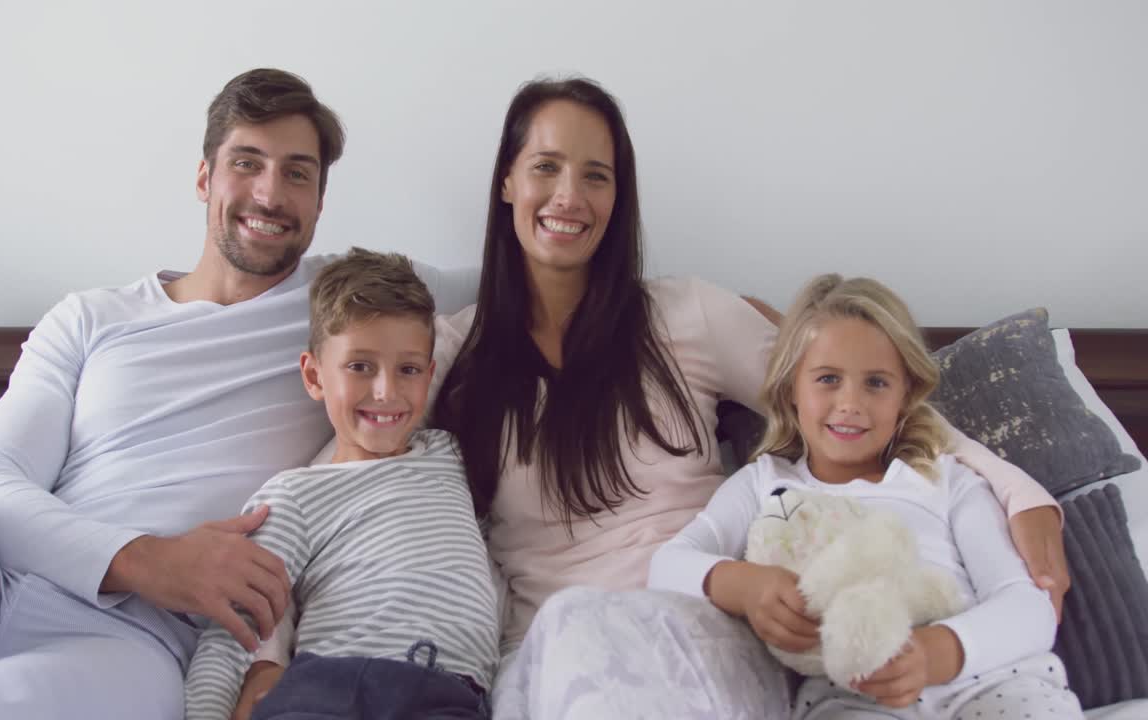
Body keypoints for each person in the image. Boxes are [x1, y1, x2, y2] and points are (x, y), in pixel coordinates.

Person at [429, 77, 1071, 718]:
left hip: (697, 636)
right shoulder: (448, 351)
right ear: (507, 181)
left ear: (618, 198)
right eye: (546, 166)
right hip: (541, 652)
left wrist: (1020, 492)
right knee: (559, 638)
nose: (570, 196)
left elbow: (848, 403)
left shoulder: (687, 315)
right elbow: (347, 426)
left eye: (596, 176)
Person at [0, 69, 477, 720]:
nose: (270, 193)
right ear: (204, 177)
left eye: (298, 173)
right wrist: (143, 559)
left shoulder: (348, 307)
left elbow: (529, 278)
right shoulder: (91, 316)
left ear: (321, 202)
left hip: (131, 642)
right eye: (248, 163)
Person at [648, 273, 1083, 719]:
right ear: (791, 388)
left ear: (905, 395)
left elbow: (1029, 607)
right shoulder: (763, 483)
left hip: (987, 682)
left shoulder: (946, 480)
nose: (850, 403)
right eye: (828, 379)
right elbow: (667, 565)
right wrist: (745, 586)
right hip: (854, 695)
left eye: (876, 383)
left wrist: (940, 651)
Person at [183, 248, 498, 720]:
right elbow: (234, 627)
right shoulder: (295, 496)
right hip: (328, 683)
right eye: (360, 366)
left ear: (430, 375)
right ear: (314, 375)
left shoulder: (448, 454)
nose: (386, 391)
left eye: (408, 369)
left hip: (445, 691)